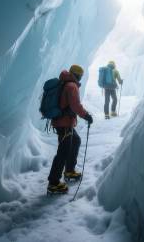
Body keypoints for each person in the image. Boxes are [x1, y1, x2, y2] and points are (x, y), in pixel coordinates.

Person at [47, 64, 93, 195]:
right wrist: (86, 115)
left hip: (64, 122)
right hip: (64, 123)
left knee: (75, 141)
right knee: (63, 152)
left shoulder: (65, 83)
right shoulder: (72, 86)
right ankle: (53, 183)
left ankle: (69, 170)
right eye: (80, 76)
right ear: (77, 75)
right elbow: (75, 105)